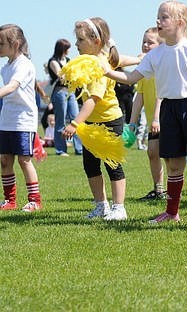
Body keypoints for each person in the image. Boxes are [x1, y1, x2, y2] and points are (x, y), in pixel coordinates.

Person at [105, 1, 187, 226]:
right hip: (169, 110)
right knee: (173, 164)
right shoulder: (155, 55)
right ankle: (172, 212)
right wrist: (107, 72)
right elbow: (132, 78)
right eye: (158, 16)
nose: (158, 21)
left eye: (164, 17)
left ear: (180, 22)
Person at [61, 18, 128, 220]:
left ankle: (119, 208)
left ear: (96, 41)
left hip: (109, 120)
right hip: (91, 121)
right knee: (90, 165)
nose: (76, 44)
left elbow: (93, 99)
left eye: (80, 40)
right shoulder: (92, 60)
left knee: (112, 164)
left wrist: (75, 123)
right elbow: (121, 59)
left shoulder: (99, 65)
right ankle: (101, 206)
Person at [0, 24, 42, 212]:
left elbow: (11, 87)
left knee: (24, 160)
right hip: (7, 120)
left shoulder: (24, 65)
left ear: (15, 44)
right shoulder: (6, 67)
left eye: (1, 43)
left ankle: (35, 201)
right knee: (5, 160)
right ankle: (10, 200)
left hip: (23, 121)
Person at [129, 27, 166, 200]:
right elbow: (139, 97)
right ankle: (158, 190)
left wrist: (157, 118)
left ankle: (170, 191)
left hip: (165, 118)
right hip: (153, 120)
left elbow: (162, 94)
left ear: (160, 45)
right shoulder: (144, 69)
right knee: (152, 152)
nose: (145, 45)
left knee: (170, 157)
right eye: (143, 41)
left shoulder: (163, 66)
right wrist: (132, 122)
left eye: (150, 42)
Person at [47, 38, 83, 156]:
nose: (69, 51)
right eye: (67, 48)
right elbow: (61, 75)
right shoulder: (53, 61)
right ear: (62, 49)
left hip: (70, 91)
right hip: (59, 92)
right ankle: (61, 150)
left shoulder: (68, 60)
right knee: (60, 121)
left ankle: (80, 149)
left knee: (76, 119)